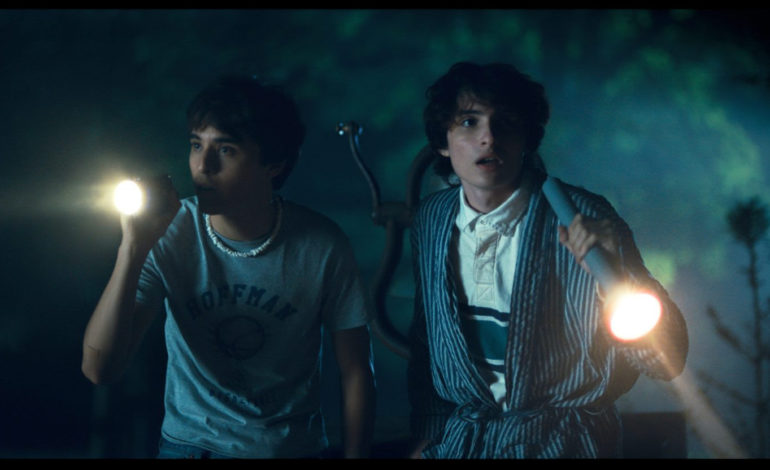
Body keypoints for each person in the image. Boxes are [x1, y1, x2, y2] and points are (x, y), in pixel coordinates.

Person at [82, 75, 375, 459]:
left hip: (289, 449)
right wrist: (133, 248)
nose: (203, 165)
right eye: (196, 145)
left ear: (274, 164)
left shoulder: (322, 245)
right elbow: (99, 369)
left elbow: (356, 371)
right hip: (189, 447)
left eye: (226, 150)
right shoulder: (169, 231)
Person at [406, 61, 688, 458]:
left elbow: (666, 361)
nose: (488, 138)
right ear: (443, 140)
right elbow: (427, 342)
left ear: (526, 136)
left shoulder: (583, 218)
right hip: (462, 443)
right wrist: (428, 438)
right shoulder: (432, 220)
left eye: (505, 122)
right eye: (469, 122)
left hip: (565, 442)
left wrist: (617, 281)